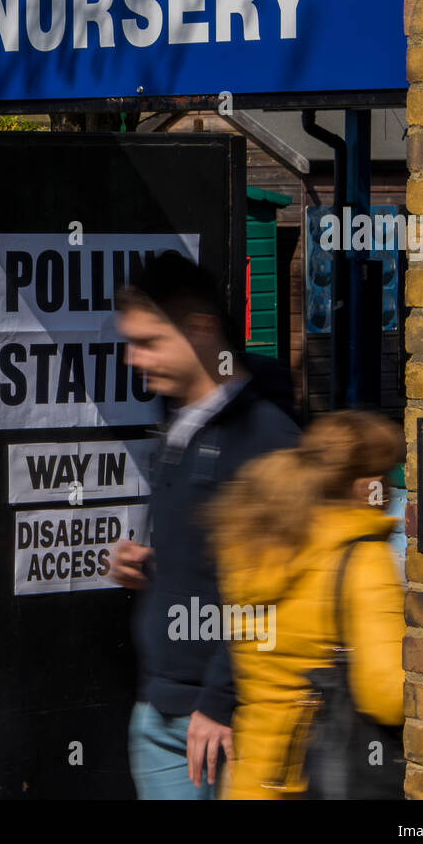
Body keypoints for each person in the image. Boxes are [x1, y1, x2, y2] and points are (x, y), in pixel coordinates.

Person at [109, 251, 299, 799]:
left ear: (199, 330)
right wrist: (148, 566)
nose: (132, 357)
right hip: (161, 710)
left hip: (217, 725)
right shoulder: (178, 419)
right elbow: (215, 561)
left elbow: (273, 589)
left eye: (147, 341)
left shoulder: (265, 435)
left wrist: (220, 702)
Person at [206, 410, 407, 799]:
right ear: (368, 484)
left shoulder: (259, 544)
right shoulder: (362, 560)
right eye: (387, 474)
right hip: (315, 784)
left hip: (249, 781)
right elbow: (386, 696)